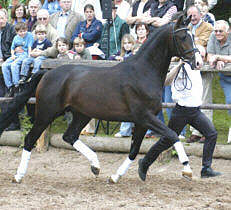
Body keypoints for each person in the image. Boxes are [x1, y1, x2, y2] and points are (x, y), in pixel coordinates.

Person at [138, 60, 222, 181]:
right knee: (167, 140)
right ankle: (145, 162)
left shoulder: (196, 65)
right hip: (181, 111)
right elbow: (166, 81)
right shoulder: (178, 67)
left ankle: (206, 168)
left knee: (211, 133)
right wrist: (178, 66)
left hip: (195, 111)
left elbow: (204, 57)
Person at [186, 5, 213, 143]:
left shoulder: (208, 27)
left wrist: (189, 42)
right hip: (191, 69)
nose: (192, 18)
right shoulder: (188, 28)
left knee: (205, 99)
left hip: (204, 67)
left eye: (194, 15)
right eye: (190, 16)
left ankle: (206, 131)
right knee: (193, 100)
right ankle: (195, 131)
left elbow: (202, 42)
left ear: (200, 15)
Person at [207, 20, 231, 143]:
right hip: (226, 77)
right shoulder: (213, 36)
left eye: (220, 31)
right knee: (230, 101)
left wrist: (219, 57)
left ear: (228, 31)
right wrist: (217, 60)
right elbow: (209, 56)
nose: (217, 33)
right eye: (216, 30)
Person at [0, 8, 20, 131]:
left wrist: (5, 59)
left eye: (2, 18)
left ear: (6, 18)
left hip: (8, 67)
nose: (0, 20)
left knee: (9, 95)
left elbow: (16, 49)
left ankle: (14, 123)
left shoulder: (12, 30)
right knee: (2, 95)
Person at [2, 22, 34, 97]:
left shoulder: (29, 35)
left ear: (26, 30)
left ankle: (16, 86)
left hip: (24, 54)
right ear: (17, 32)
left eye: (24, 31)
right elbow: (12, 48)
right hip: (16, 54)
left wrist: (29, 56)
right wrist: (12, 55)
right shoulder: (16, 37)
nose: (23, 33)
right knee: (4, 65)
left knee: (14, 65)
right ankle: (9, 86)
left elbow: (29, 47)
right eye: (20, 31)